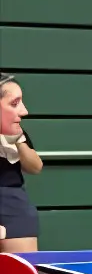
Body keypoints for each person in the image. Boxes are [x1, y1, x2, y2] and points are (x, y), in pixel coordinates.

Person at [0, 73, 41, 253]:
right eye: (14, 104)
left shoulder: (17, 131)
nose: (24, 112)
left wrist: (18, 141)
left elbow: (35, 166)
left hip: (13, 203)